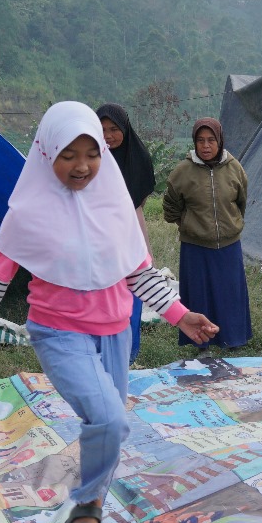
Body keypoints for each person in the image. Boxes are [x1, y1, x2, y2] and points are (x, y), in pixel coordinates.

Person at [0, 102, 218, 523]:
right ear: (47, 152)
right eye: (68, 154)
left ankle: (87, 516)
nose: (82, 166)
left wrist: (179, 314)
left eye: (91, 154)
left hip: (115, 332)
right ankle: (85, 512)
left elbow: (138, 273)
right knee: (111, 420)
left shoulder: (115, 204)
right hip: (58, 332)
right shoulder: (29, 211)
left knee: (107, 425)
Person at [163, 117, 253, 349]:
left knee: (229, 293)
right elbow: (171, 208)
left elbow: (241, 201)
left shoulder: (234, 168)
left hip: (229, 245)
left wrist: (229, 225)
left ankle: (233, 338)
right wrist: (189, 225)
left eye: (211, 140)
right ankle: (200, 342)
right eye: (200, 140)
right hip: (195, 247)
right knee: (199, 294)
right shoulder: (182, 171)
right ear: (194, 142)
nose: (205, 146)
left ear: (220, 140)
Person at [96, 103, 156, 361]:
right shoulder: (91, 158)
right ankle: (101, 350)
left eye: (114, 129)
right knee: (102, 293)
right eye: (102, 129)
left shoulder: (138, 158)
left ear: (125, 129)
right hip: (98, 234)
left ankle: (128, 351)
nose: (108, 135)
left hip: (131, 230)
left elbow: (139, 200)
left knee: (133, 289)